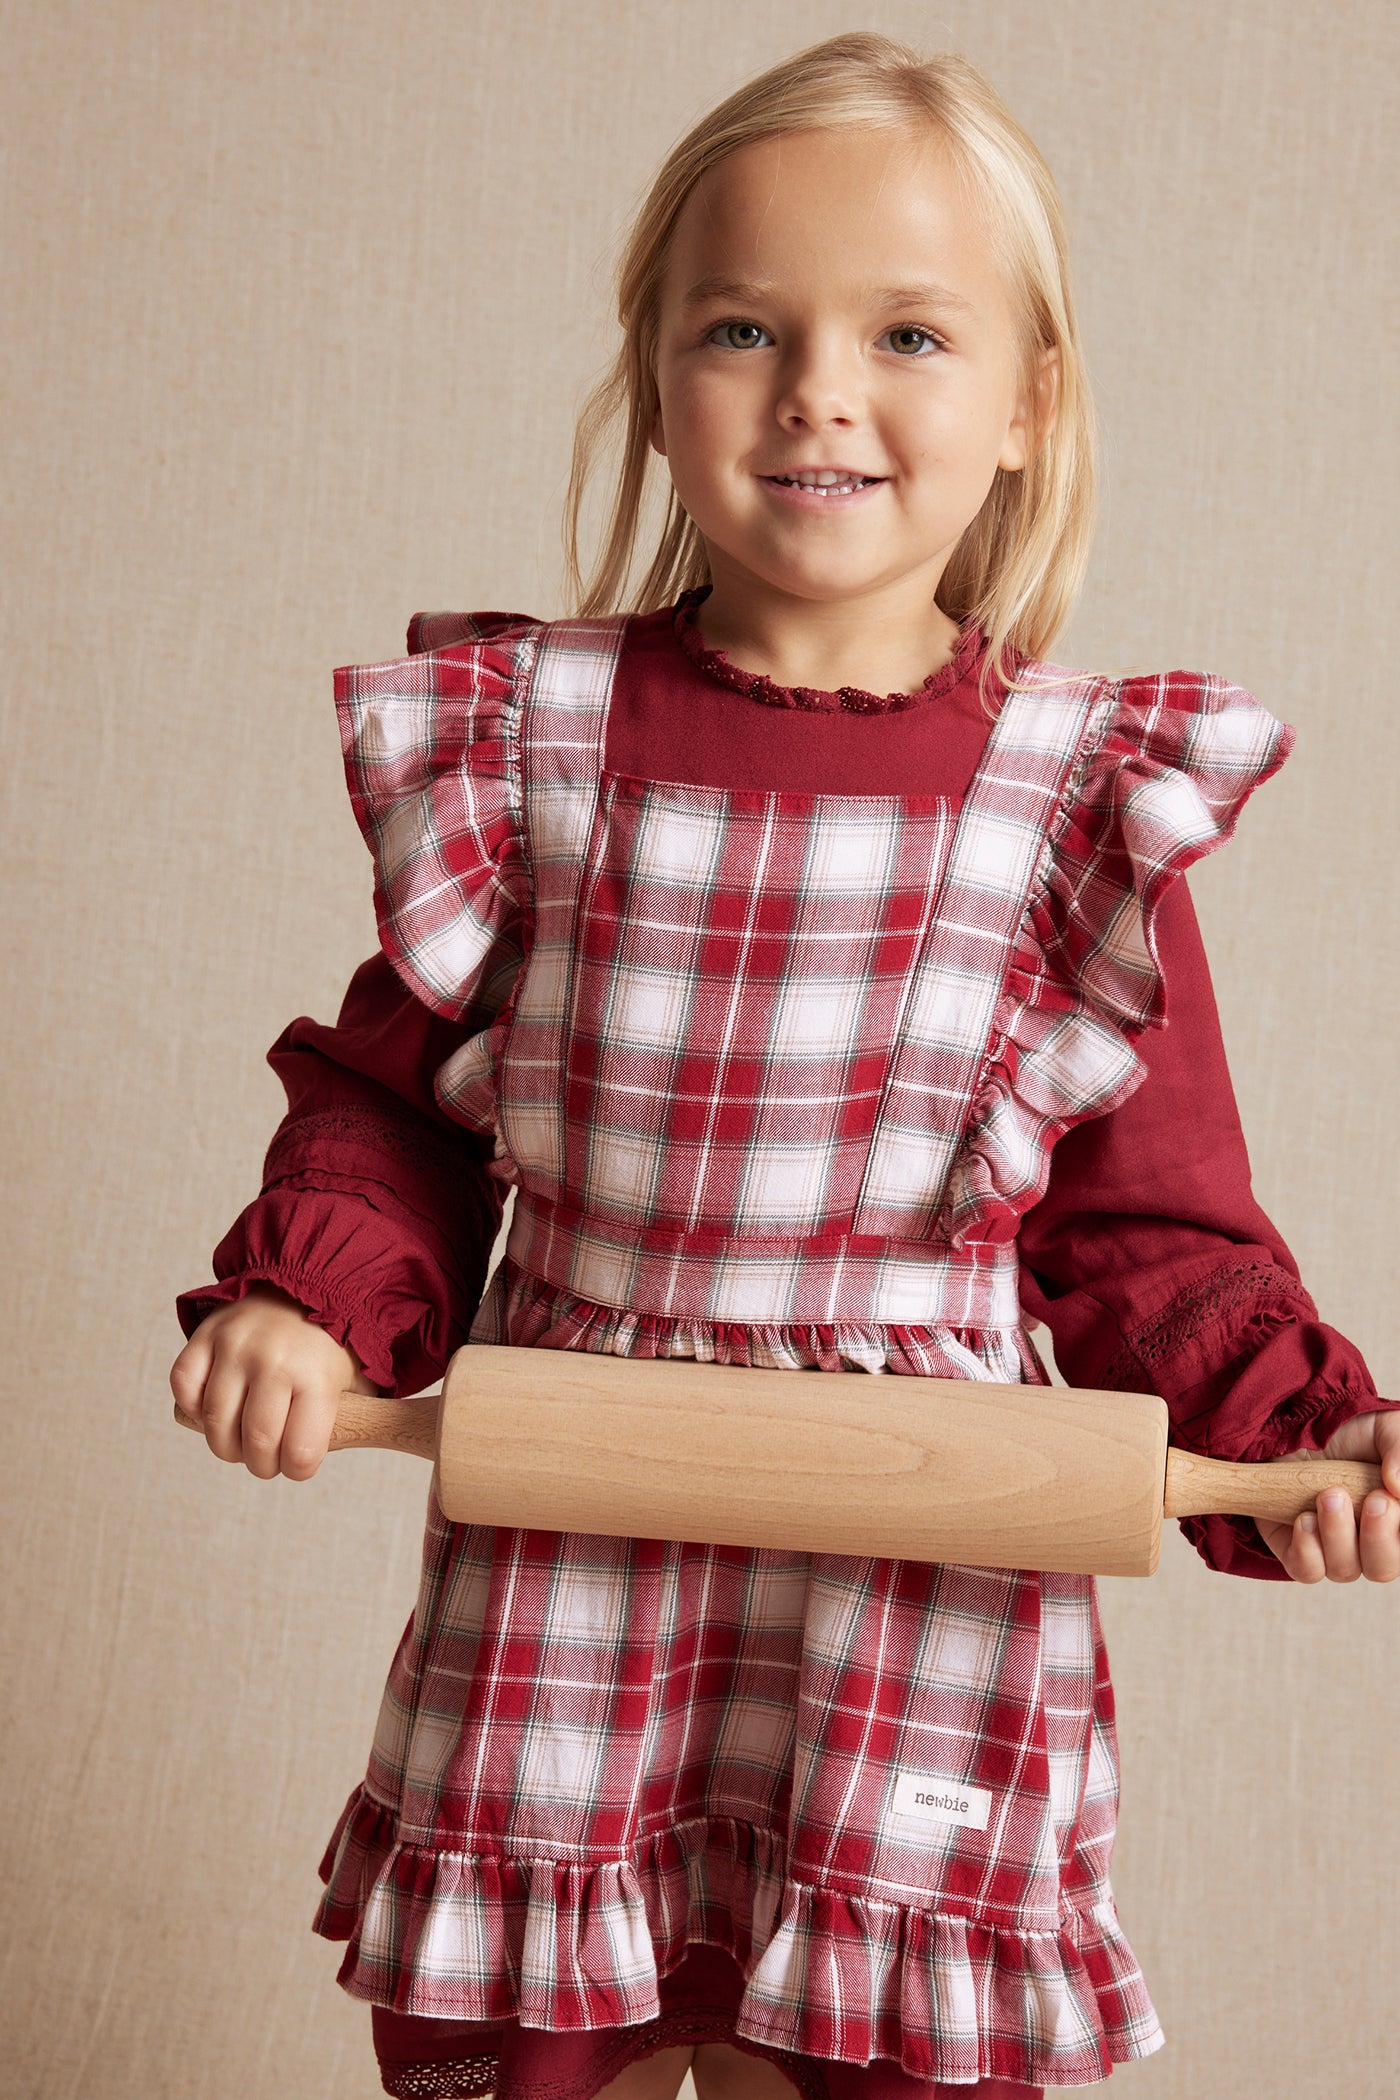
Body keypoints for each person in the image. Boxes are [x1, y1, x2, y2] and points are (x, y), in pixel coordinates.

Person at [170, 33, 1399, 2100]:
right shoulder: (528, 754)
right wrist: (311, 1297)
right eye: (744, 326)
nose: (821, 389)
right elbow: (391, 1108)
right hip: (572, 1559)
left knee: (874, 2057)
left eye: (907, 333)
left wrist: (1307, 1441)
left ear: (1025, 407)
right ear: (655, 379)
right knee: (526, 2051)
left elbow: (1152, 1233)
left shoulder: (1069, 813)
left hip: (926, 1579)